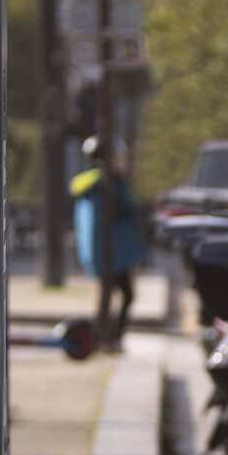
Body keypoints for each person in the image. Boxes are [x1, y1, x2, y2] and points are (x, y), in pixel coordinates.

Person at [71, 136, 146, 345]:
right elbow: (130, 208)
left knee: (110, 295)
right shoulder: (110, 184)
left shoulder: (92, 184)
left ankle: (104, 335)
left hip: (105, 251)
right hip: (114, 251)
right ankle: (109, 336)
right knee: (124, 295)